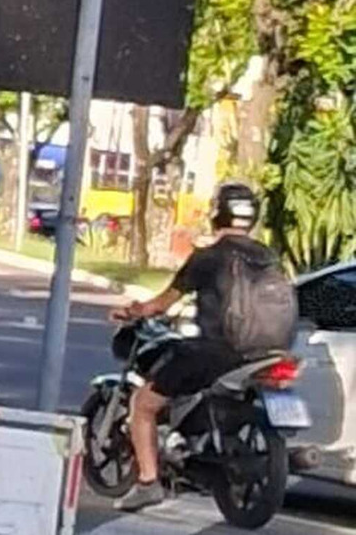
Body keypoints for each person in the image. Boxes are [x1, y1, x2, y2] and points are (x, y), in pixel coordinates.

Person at [109, 182, 279, 513]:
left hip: (214, 352)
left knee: (142, 404)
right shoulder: (269, 258)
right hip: (265, 351)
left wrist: (133, 310)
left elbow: (161, 303)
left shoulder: (208, 258)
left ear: (217, 214)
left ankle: (147, 482)